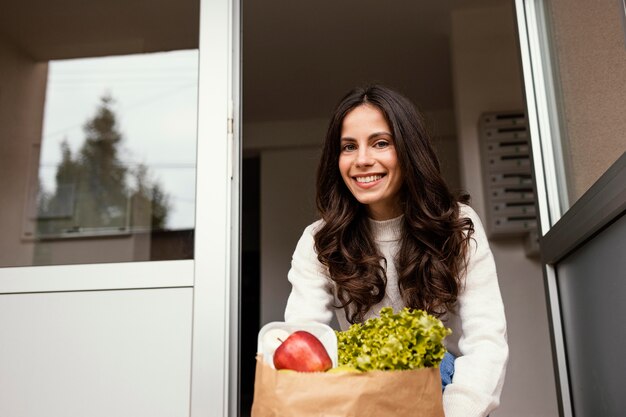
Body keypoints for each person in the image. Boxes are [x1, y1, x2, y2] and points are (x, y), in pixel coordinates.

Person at [284, 85, 508, 417]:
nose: (362, 160)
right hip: (361, 395)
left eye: (381, 143)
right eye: (348, 147)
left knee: (442, 363)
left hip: (442, 393)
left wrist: (456, 411)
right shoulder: (320, 239)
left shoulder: (456, 224)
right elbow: (305, 334)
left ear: (408, 149)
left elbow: (486, 338)